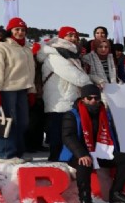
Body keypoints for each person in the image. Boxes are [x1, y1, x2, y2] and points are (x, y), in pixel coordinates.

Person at [59, 84, 125, 203]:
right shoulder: (72, 114)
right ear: (83, 98)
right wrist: (82, 154)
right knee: (84, 163)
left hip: (100, 152)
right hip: (78, 153)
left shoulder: (105, 113)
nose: (93, 101)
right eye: (89, 98)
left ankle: (116, 193)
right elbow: (68, 136)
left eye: (96, 98)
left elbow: (113, 134)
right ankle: (85, 201)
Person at [37, 25, 93, 161]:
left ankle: (64, 159)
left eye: (75, 36)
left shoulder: (71, 54)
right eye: (69, 35)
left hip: (67, 99)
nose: (73, 38)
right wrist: (91, 86)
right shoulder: (54, 55)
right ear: (62, 37)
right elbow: (73, 75)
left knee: (67, 134)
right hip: (58, 101)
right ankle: (55, 161)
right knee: (59, 135)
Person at [0, 17, 37, 164]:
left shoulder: (26, 49)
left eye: (23, 30)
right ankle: (5, 154)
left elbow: (30, 71)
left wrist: (31, 90)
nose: (20, 32)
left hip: (22, 89)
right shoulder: (1, 48)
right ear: (10, 31)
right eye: (17, 29)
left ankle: (18, 153)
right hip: (6, 89)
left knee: (23, 122)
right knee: (8, 121)